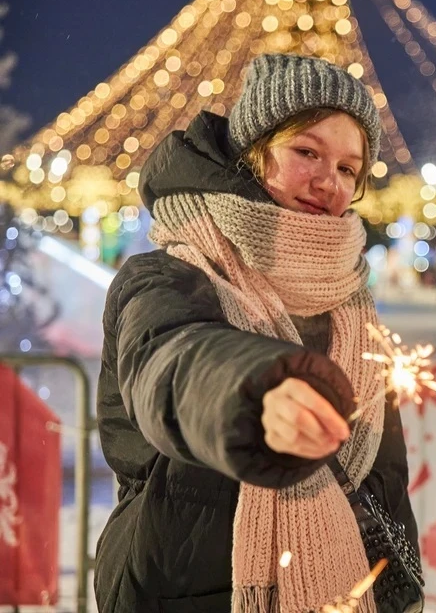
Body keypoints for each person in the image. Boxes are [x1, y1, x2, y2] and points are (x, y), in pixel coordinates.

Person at [94, 53, 418, 613]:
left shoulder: (352, 303)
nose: (328, 182)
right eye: (306, 152)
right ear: (253, 152)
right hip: (183, 588)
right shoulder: (168, 275)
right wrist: (255, 393)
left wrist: (399, 593)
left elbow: (382, 482)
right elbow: (171, 364)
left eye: (348, 169)